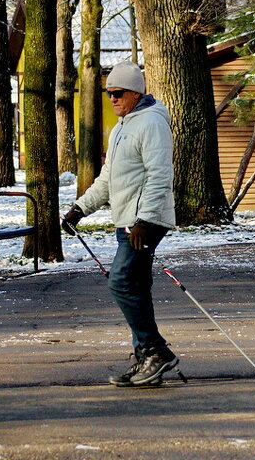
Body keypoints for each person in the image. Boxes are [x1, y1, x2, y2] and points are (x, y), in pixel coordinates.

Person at [62, 61, 178, 387]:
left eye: (117, 93)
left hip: (144, 223)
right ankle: (146, 359)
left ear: (135, 92)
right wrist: (79, 208)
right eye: (108, 93)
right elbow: (107, 179)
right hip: (127, 220)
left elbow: (159, 177)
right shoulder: (121, 127)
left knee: (120, 281)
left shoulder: (152, 123)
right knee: (136, 287)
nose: (111, 99)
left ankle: (156, 351)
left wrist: (144, 220)